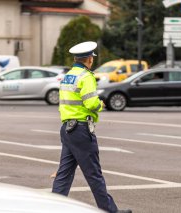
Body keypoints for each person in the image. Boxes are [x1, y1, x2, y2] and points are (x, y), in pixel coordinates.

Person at [52, 41, 132, 213]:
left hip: (67, 128)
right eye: (92, 58)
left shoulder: (68, 76)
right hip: (81, 130)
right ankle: (110, 210)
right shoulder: (86, 76)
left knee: (64, 175)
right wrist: (100, 105)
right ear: (89, 59)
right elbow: (90, 103)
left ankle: (53, 208)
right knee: (94, 174)